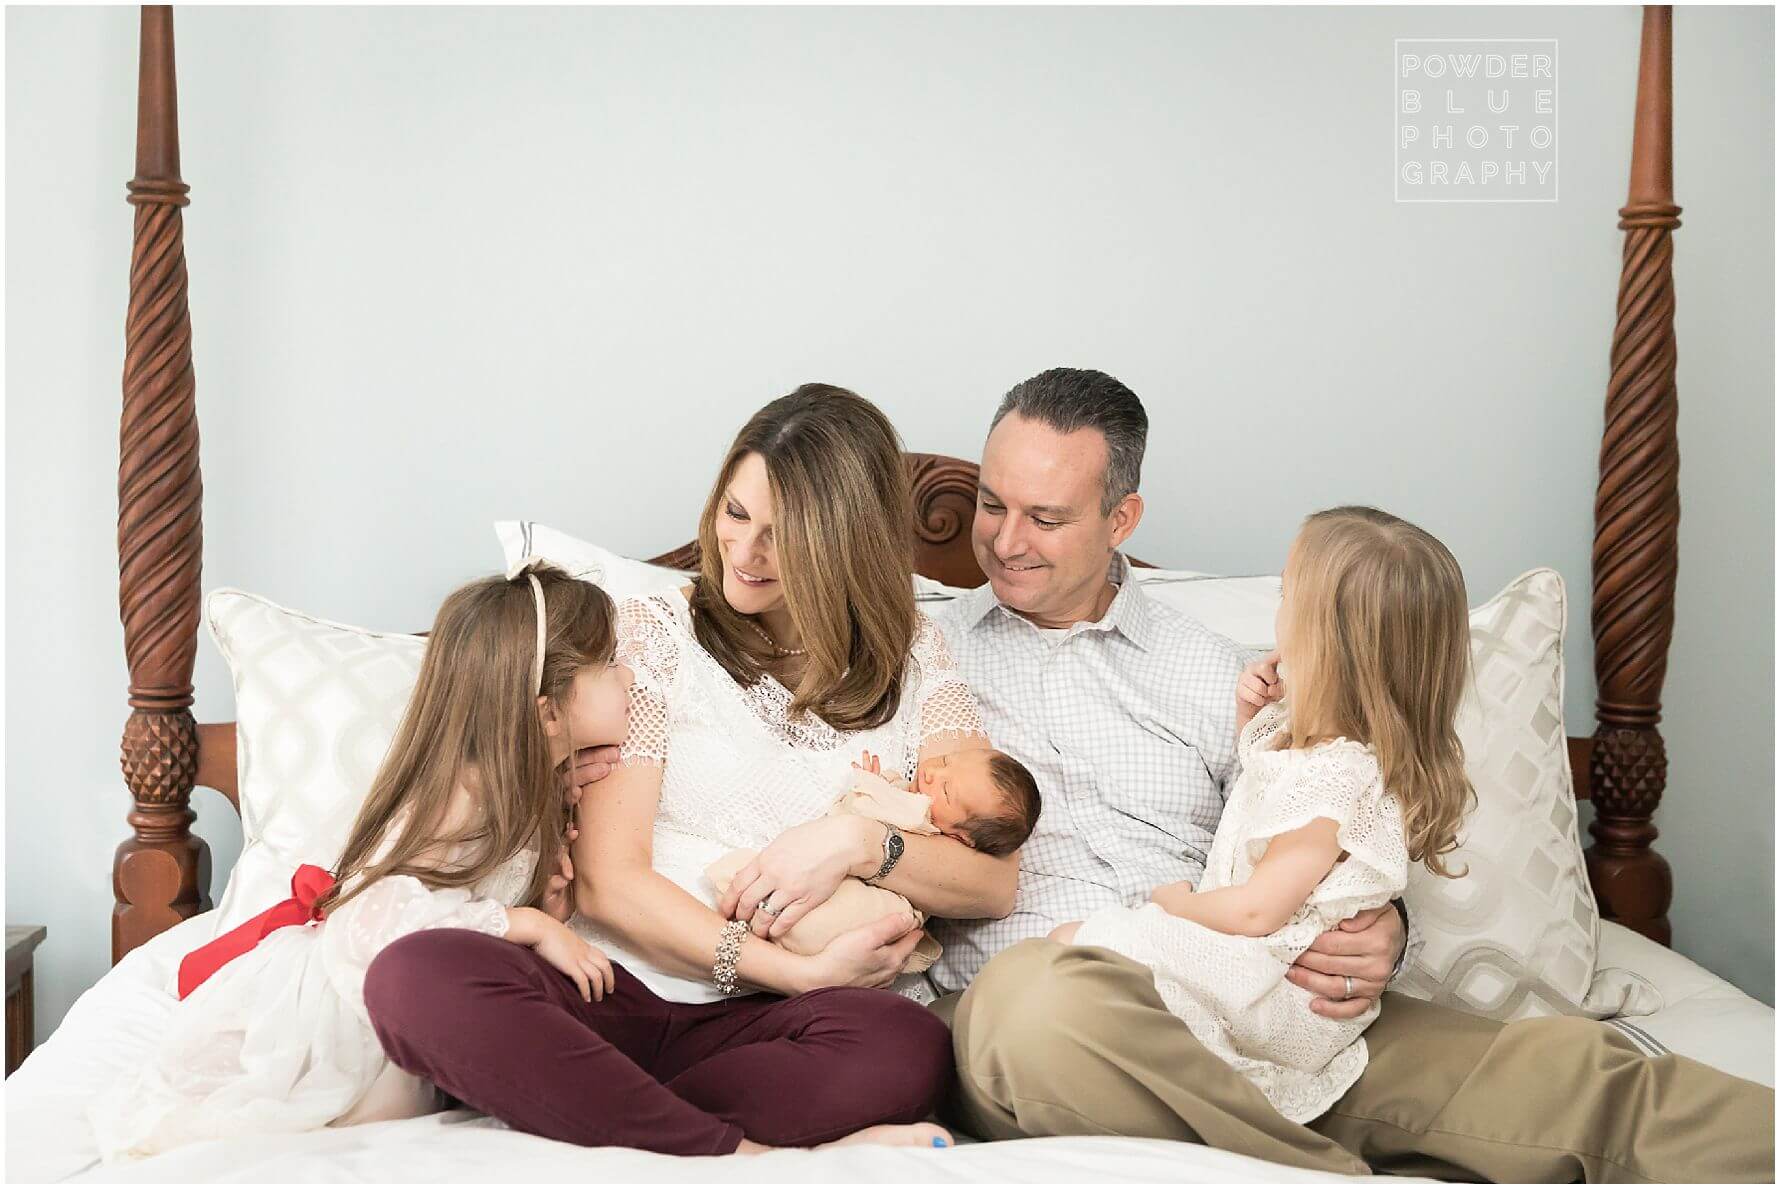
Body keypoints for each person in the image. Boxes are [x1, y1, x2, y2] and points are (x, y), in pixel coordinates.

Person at [932, 367, 1774, 1180]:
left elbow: (1313, 822)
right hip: (1056, 1025)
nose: (1005, 541)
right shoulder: (913, 662)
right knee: (1037, 1002)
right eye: (991, 503)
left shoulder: (1224, 675)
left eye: (1044, 517)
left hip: (1253, 1010)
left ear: (1123, 517)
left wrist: (1386, 930)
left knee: (1580, 1072)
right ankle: (1331, 1175)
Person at [365, 384, 1012, 1155]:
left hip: (766, 1031)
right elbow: (610, 881)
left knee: (908, 1045)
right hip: (608, 993)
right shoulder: (649, 637)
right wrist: (790, 970)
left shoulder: (915, 656)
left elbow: (992, 881)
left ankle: (583, 1106)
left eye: (783, 535)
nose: (743, 553)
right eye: (735, 515)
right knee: (418, 974)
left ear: (845, 541)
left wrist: (860, 844)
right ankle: (741, 1156)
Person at [91, 564, 626, 1160]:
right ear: (548, 712)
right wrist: (528, 924)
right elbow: (371, 918)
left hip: (428, 988)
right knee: (287, 1118)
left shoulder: (522, 791)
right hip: (354, 999)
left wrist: (548, 881)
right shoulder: (463, 795)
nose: (630, 676)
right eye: (609, 664)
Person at [1051, 506, 1471, 1125]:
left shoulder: (1332, 776)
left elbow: (1257, 910)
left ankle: (1235, 1119)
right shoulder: (1321, 756)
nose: (1277, 612)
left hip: (1280, 992)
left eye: (1285, 592)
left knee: (1081, 944)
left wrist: (1171, 904)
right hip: (1264, 974)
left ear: (1324, 640)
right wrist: (1259, 718)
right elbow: (1261, 805)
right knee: (1081, 962)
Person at [707, 745, 1042, 974]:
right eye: (945, 762)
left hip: (880, 907)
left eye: (947, 791)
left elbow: (865, 811)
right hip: (880, 911)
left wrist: (871, 786)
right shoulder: (924, 810)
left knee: (768, 890)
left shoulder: (922, 818)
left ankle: (758, 914)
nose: (931, 775)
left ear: (961, 838)